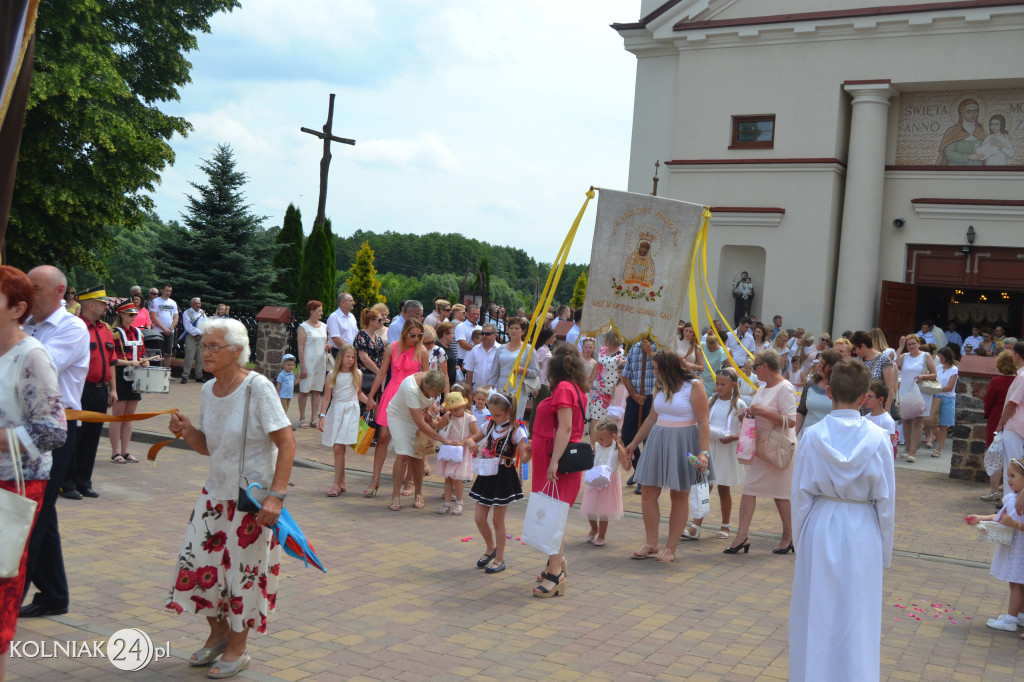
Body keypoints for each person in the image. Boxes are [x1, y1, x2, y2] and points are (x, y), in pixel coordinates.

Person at [165, 317, 295, 677]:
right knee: (199, 568)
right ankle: (218, 634)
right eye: (204, 346)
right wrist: (188, 431)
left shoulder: (258, 388)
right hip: (214, 494)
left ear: (237, 352)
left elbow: (287, 443)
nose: (206, 352)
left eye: (213, 347)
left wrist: (276, 497)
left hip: (251, 501)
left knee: (245, 575)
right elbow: (207, 448)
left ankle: (239, 648)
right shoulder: (208, 390)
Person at [789, 359, 896, 682]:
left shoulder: (811, 436)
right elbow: (886, 501)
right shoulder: (878, 439)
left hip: (821, 522)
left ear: (830, 390)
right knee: (858, 612)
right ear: (866, 397)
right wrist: (884, 551)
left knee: (816, 608)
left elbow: (801, 495)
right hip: (863, 526)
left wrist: (800, 539)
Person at [0, 266, 67, 680]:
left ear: (17, 308)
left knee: (2, 583)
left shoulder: (31, 355)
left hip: (15, 483)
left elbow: (53, 432)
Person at [19, 266, 87, 621]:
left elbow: (35, 370)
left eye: (36, 288)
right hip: (24, 428)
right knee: (40, 512)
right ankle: (54, 594)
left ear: (59, 290)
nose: (29, 295)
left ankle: (10, 599)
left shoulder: (71, 328)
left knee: (31, 516)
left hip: (55, 432)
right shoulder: (26, 326)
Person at [625, 350, 712, 563]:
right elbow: (651, 419)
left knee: (679, 495)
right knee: (647, 492)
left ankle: (671, 547)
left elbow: (703, 422)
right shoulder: (661, 386)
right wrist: (634, 443)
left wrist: (704, 452)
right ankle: (651, 543)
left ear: (668, 368)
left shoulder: (695, 386)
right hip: (658, 441)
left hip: (685, 444)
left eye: (656, 368)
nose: (654, 373)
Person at [725, 349, 799, 555]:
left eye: (756, 366)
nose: (754, 370)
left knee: (781, 495)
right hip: (761, 447)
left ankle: (789, 537)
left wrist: (763, 412)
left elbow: (791, 420)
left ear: (764, 366)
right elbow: (760, 414)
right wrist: (747, 415)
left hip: (777, 447)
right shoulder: (763, 387)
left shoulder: (785, 387)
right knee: (749, 489)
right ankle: (742, 536)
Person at [528, 345, 588, 595]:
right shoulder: (575, 388)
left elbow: (565, 428)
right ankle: (556, 562)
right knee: (553, 514)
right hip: (552, 456)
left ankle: (556, 573)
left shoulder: (564, 388)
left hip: (556, 459)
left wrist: (553, 463)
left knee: (553, 517)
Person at [468, 390, 531, 575]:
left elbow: (525, 458)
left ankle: (500, 558)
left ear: (509, 411)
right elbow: (472, 438)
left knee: (497, 521)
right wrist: (470, 443)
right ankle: (491, 547)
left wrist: (531, 450)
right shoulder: (489, 425)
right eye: (492, 413)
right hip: (487, 474)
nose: (494, 417)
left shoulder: (517, 430)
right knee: (479, 519)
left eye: (497, 414)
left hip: (503, 476)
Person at [63, 285, 117, 499]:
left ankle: (84, 481)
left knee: (92, 439)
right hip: (80, 390)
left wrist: (113, 389)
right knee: (75, 438)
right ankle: (67, 483)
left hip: (100, 390)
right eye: (103, 303)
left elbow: (111, 360)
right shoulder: (76, 328)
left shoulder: (105, 328)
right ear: (91, 305)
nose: (106, 307)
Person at [367, 321, 429, 500]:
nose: (416, 339)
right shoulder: (391, 348)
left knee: (411, 440)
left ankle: (409, 482)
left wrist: (427, 404)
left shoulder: (422, 351)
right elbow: (381, 373)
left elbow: (427, 378)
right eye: (412, 335)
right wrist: (371, 396)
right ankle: (375, 480)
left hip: (411, 396)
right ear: (404, 334)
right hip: (392, 393)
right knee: (383, 438)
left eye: (419, 335)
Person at [687, 368, 746, 540]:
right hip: (710, 448)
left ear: (733, 385)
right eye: (717, 383)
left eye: (723, 384)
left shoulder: (739, 405)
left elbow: (749, 431)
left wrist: (733, 437)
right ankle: (696, 525)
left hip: (726, 450)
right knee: (705, 485)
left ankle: (726, 525)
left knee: (723, 488)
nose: (718, 387)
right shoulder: (711, 400)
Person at [967, 459, 1024, 634]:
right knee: (1018, 583)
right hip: (1015, 547)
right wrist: (981, 518)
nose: (1008, 480)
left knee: (1016, 582)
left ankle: (1010, 619)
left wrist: (1015, 524)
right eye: (1007, 476)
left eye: (1013, 476)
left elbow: (1012, 520)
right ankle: (1020, 614)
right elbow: (999, 516)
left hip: (1020, 550)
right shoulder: (1013, 497)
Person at [385, 370, 451, 511]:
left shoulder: (432, 377)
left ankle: (418, 493)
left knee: (417, 456)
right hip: (399, 417)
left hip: (416, 415)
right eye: (435, 393)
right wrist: (442, 440)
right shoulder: (411, 388)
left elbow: (425, 410)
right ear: (427, 388)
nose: (437, 396)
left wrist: (428, 411)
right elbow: (421, 424)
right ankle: (395, 494)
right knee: (402, 455)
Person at [319, 344, 372, 497]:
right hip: (336, 411)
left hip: (351, 411)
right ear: (341, 357)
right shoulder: (331, 375)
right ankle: (341, 481)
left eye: (353, 357)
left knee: (339, 447)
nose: (350, 359)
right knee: (338, 448)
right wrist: (322, 416)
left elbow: (358, 393)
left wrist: (369, 402)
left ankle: (336, 484)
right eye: (347, 356)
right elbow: (327, 397)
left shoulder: (358, 374)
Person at [110, 300, 148, 463]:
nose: (133, 317)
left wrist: (144, 361)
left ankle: (126, 451)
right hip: (119, 374)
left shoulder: (138, 333)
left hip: (135, 375)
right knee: (118, 416)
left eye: (135, 314)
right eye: (130, 314)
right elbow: (111, 359)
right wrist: (128, 362)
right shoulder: (114, 333)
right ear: (122, 315)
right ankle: (115, 452)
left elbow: (141, 354)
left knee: (129, 416)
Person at [580, 419, 627, 547]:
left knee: (604, 511)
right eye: (597, 438)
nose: (599, 441)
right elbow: (590, 460)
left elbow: (626, 466)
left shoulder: (618, 449)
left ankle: (602, 535)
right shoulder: (596, 446)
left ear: (612, 437)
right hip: (595, 480)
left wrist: (629, 459)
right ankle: (594, 528)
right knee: (590, 509)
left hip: (609, 482)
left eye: (602, 438)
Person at [621, 335, 657, 492]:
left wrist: (650, 352)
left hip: (654, 398)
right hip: (636, 397)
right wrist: (634, 395)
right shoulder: (634, 348)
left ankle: (645, 477)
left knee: (649, 438)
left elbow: (668, 368)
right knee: (627, 435)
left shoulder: (661, 347)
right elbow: (626, 375)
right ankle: (639, 469)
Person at [435, 391, 480, 516]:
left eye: (456, 409)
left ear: (464, 406)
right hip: (450, 449)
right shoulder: (449, 416)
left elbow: (476, 434)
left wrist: (464, 441)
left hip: (461, 451)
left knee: (457, 479)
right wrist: (435, 417)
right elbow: (440, 426)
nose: (454, 412)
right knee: (448, 478)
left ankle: (459, 502)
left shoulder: (470, 418)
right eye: (452, 410)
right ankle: (447, 503)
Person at [484, 317, 537, 420]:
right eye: (511, 328)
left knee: (515, 418)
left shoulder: (528, 349)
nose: (513, 331)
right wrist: (489, 389)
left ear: (523, 331)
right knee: (501, 417)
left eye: (517, 328)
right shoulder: (501, 349)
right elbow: (494, 371)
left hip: (519, 389)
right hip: (502, 387)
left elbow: (535, 372)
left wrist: (522, 370)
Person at [983, 350, 1019, 501]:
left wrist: (987, 414)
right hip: (1014, 421)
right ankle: (1010, 488)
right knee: (1013, 456)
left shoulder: (996, 381)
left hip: (996, 419)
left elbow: (988, 402)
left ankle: (994, 490)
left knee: (995, 454)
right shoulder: (1018, 380)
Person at [896, 334, 938, 463]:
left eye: (913, 344)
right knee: (906, 420)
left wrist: (923, 377)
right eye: (909, 345)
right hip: (906, 390)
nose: (911, 347)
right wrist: (901, 347)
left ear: (918, 343)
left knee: (918, 421)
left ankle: (913, 452)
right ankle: (908, 449)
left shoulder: (925, 356)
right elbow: (893, 364)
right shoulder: (904, 356)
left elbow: (934, 374)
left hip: (921, 392)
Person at [296, 300, 329, 428]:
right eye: (319, 310)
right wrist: (302, 366)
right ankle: (302, 418)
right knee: (304, 390)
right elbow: (300, 347)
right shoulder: (304, 327)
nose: (321, 313)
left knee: (316, 390)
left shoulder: (324, 326)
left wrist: (327, 346)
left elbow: (323, 342)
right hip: (308, 363)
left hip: (320, 364)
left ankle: (314, 418)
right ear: (312, 312)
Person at [996, 343, 1024, 489]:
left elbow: (1012, 404)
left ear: (1018, 356)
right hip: (1019, 426)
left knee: (1012, 466)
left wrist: (1000, 423)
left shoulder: (1021, 377)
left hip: (1015, 426)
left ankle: (1010, 503)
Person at [795, 349, 842, 435]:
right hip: (807, 436)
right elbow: (801, 411)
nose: (818, 366)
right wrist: (794, 435)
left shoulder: (841, 389)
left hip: (829, 439)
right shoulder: (811, 384)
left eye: (822, 363)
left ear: (832, 366)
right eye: (819, 362)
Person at [586, 329, 625, 430]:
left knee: (610, 422)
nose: (604, 339)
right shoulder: (602, 350)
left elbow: (622, 374)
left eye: (606, 338)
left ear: (611, 339)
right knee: (595, 419)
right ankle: (593, 445)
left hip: (612, 392)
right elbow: (596, 367)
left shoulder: (622, 354)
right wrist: (590, 383)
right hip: (598, 392)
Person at [851, 330, 896, 414]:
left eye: (855, 348)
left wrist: (886, 410)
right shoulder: (858, 360)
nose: (854, 352)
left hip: (876, 408)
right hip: (859, 407)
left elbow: (889, 387)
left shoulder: (884, 359)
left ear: (863, 346)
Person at [354, 306, 386, 408]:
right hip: (365, 375)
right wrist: (379, 372)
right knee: (363, 404)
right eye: (379, 320)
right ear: (371, 321)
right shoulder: (361, 336)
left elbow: (384, 355)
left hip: (376, 376)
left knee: (374, 403)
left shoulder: (377, 338)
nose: (382, 322)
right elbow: (364, 358)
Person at [930, 346, 959, 457]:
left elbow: (950, 387)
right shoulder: (938, 368)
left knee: (943, 426)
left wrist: (936, 388)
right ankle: (939, 440)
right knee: (931, 422)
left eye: (942, 358)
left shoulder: (954, 370)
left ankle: (939, 448)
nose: (941, 360)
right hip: (937, 396)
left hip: (947, 398)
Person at [464, 322, 502, 390]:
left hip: (495, 392)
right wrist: (469, 392)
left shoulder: (501, 350)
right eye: (482, 334)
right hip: (478, 391)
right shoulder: (475, 349)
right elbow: (469, 371)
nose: (484, 336)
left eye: (487, 334)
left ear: (495, 335)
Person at [149, 283, 178, 364]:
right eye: (166, 290)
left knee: (168, 354)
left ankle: (166, 373)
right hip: (158, 331)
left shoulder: (173, 303)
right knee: (157, 353)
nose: (168, 292)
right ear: (162, 290)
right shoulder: (156, 301)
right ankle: (157, 371)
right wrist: (164, 329)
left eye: (170, 291)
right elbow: (154, 317)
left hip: (170, 331)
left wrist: (171, 328)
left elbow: (176, 317)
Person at [180, 297, 206, 384]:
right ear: (192, 304)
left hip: (201, 337)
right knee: (189, 357)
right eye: (196, 304)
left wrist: (200, 334)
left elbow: (205, 325)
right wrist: (197, 333)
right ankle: (185, 376)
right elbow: (188, 326)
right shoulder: (186, 313)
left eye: (199, 303)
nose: (198, 305)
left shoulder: (202, 313)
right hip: (191, 336)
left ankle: (199, 375)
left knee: (200, 357)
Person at [326, 292, 358, 358]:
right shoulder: (334, 317)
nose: (353, 303)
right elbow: (336, 338)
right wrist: (349, 351)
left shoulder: (352, 317)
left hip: (350, 353)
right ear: (342, 303)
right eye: (351, 301)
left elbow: (356, 334)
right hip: (338, 353)